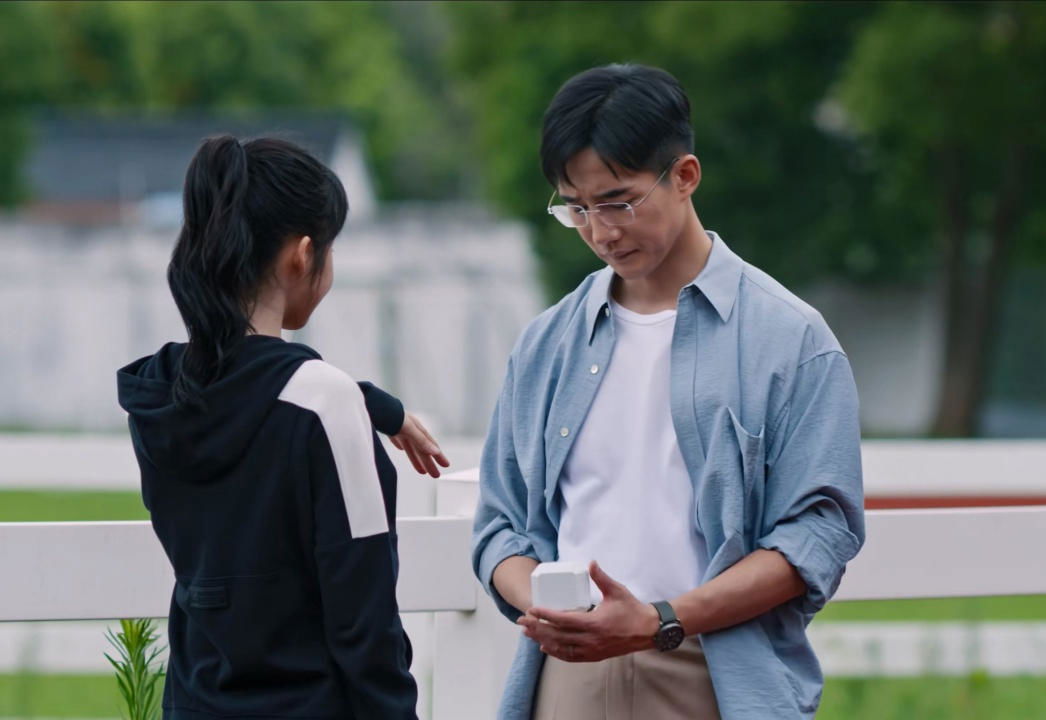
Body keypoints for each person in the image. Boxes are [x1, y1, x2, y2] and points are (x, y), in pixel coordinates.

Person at [471, 64, 866, 720]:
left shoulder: (791, 340)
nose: (601, 231)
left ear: (684, 176)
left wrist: (659, 620)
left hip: (717, 676)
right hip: (566, 680)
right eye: (576, 208)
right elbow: (499, 526)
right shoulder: (546, 345)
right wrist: (550, 607)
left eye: (618, 202)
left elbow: (818, 535)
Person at [117, 135, 447, 719]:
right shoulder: (325, 405)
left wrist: (367, 402)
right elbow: (364, 618)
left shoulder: (160, 395)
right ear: (302, 255)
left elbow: (244, 388)